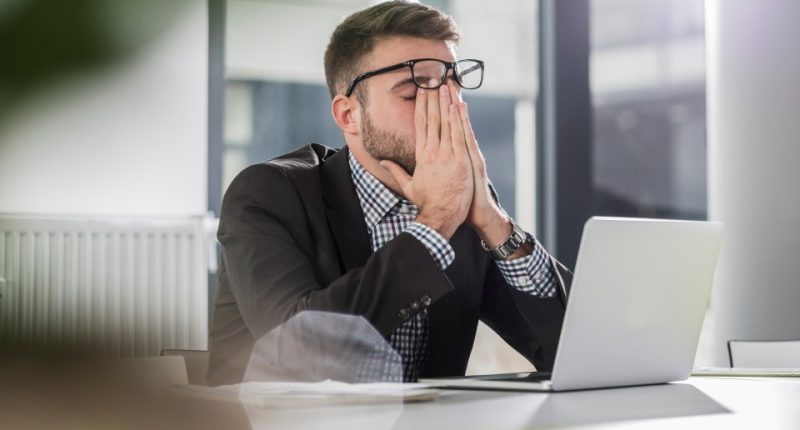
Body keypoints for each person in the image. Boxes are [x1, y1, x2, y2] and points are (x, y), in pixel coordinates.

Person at [207, 0, 571, 386]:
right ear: (349, 115)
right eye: (414, 94)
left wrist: (496, 227)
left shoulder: (462, 201)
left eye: (452, 89)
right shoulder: (267, 193)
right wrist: (434, 226)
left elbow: (569, 349)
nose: (445, 110)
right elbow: (300, 353)